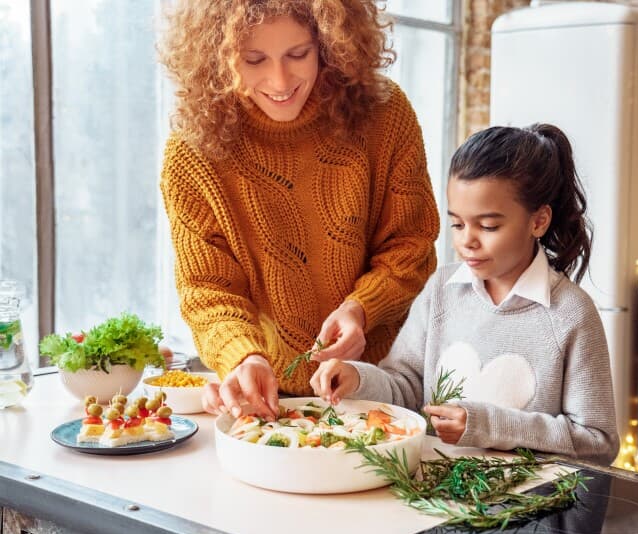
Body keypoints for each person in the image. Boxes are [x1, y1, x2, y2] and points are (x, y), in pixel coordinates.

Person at [158, 0, 439, 421]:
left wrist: (362, 309)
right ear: (218, 56)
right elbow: (207, 289)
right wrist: (242, 356)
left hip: (384, 385)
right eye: (254, 60)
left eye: (298, 54)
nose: (280, 79)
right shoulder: (193, 152)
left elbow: (411, 245)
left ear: (329, 44)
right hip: (270, 397)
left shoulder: (384, 114)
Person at [311, 124, 620, 464]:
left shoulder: (571, 314)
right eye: (457, 224)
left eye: (488, 226)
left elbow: (598, 442)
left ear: (538, 221)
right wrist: (357, 379)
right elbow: (406, 388)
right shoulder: (441, 291)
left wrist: (486, 425)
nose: (466, 241)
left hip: (529, 506)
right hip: (433, 495)